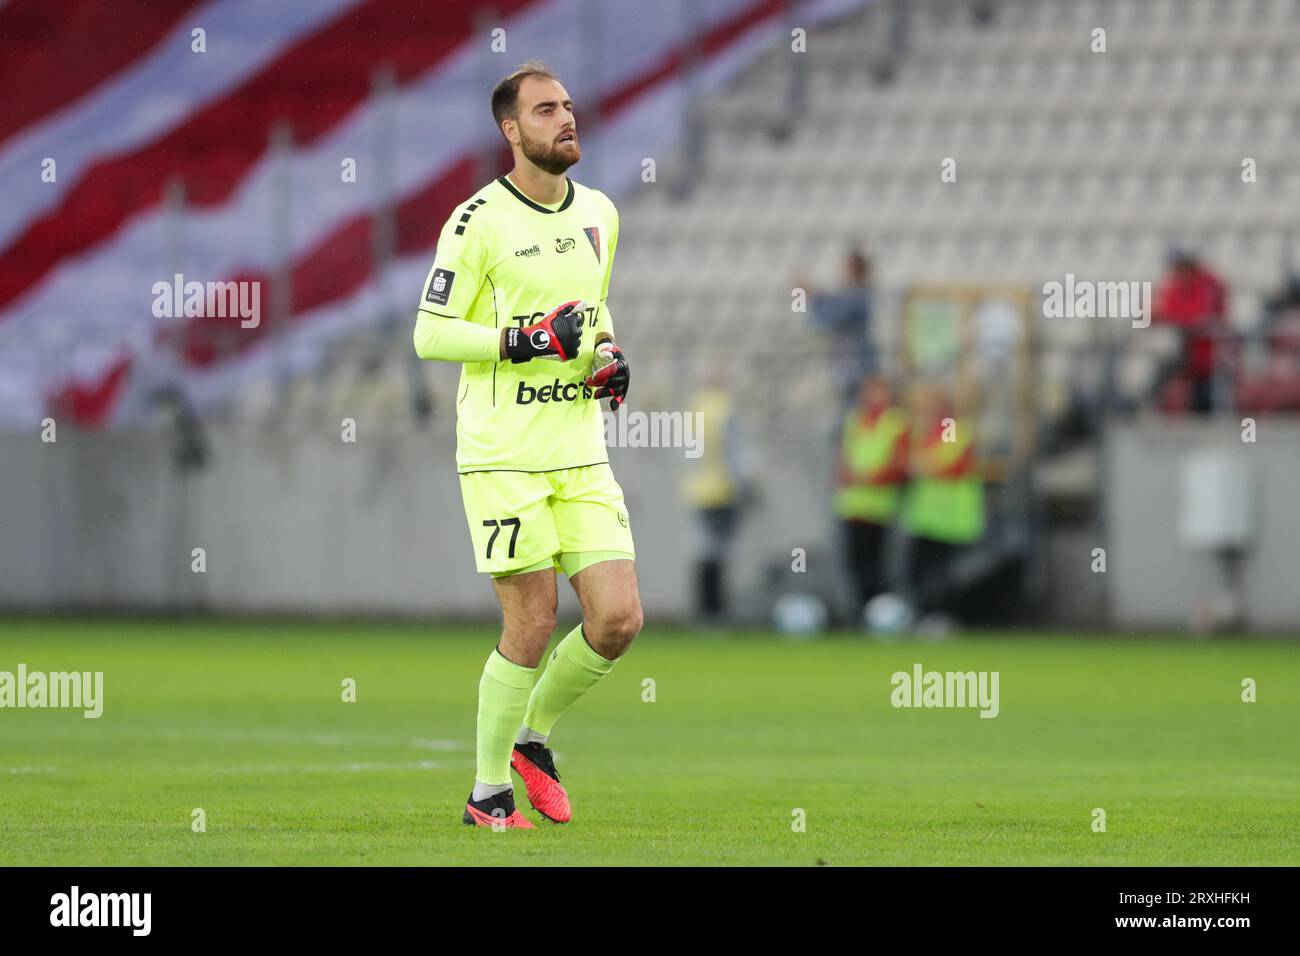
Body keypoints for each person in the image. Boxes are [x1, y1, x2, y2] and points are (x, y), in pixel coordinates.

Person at [412, 61, 641, 829]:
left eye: (569, 107)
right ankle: (487, 793)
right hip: (503, 456)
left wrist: (606, 355)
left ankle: (531, 740)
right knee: (533, 621)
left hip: (579, 451)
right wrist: (524, 339)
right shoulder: (477, 222)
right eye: (546, 111)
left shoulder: (601, 214)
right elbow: (430, 333)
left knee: (618, 621)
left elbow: (594, 313)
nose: (566, 119)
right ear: (512, 131)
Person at [901, 384, 984, 620]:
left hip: (949, 516)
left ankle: (943, 616)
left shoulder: (951, 427)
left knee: (941, 570)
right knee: (918, 568)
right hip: (927, 516)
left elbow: (944, 462)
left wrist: (917, 465)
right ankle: (927, 614)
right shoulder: (922, 430)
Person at [682, 369, 754, 624]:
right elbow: (734, 451)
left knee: (705, 549)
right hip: (722, 489)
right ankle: (715, 611)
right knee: (718, 551)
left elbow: (686, 452)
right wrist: (745, 483)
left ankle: (704, 610)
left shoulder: (695, 408)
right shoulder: (725, 410)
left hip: (698, 490)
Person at [833, 376, 908, 619]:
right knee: (854, 563)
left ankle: (879, 613)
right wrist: (847, 477)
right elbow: (844, 458)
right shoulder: (855, 420)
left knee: (877, 564)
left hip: (879, 506)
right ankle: (862, 611)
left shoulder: (895, 423)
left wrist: (868, 479)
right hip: (852, 504)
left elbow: (899, 465)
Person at [1151, 249, 1230, 414]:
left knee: (1203, 400)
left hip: (1207, 355)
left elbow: (1203, 316)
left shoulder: (1209, 284)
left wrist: (1178, 320)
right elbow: (1166, 312)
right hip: (1187, 354)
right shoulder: (1175, 286)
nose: (1178, 272)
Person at [796, 249, 875, 406]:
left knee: (850, 410)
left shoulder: (857, 296)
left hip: (854, 366)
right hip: (848, 365)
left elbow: (828, 317)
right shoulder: (856, 295)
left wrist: (811, 294)